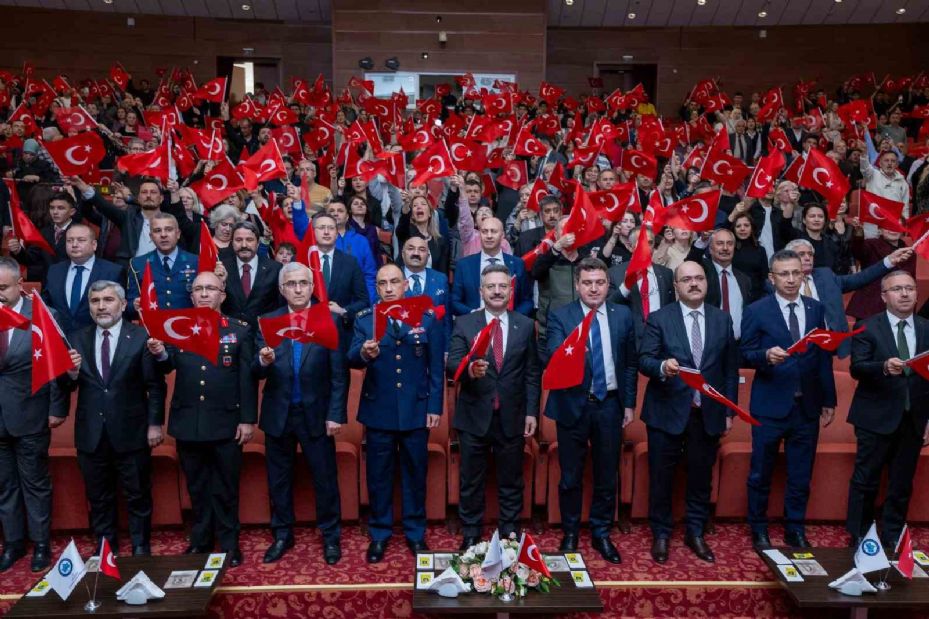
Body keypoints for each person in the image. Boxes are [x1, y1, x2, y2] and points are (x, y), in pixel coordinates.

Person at [150, 271, 256, 567]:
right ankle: (200, 540)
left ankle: (229, 543)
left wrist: (247, 419)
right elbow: (168, 364)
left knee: (225, 486)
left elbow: (246, 378)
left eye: (211, 288)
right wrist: (159, 353)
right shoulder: (178, 327)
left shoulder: (239, 330)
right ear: (192, 295)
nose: (205, 294)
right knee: (197, 486)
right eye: (199, 289)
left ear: (223, 294)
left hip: (226, 421)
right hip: (188, 421)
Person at [638, 261, 739, 564]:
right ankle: (661, 533)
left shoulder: (722, 319)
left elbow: (730, 370)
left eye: (698, 278)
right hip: (666, 411)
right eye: (687, 280)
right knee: (661, 478)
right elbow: (645, 359)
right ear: (677, 287)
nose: (694, 284)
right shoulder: (659, 318)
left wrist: (729, 409)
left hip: (706, 412)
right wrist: (662, 367)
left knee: (700, 477)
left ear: (706, 283)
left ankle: (695, 531)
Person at [740, 249, 836, 550]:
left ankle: (795, 528)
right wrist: (765, 357)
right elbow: (743, 353)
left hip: (806, 406)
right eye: (784, 274)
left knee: (800, 474)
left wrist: (828, 399)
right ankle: (758, 528)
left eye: (796, 273)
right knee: (761, 472)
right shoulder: (757, 310)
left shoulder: (815, 308)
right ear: (772, 278)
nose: (791, 279)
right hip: (770, 405)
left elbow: (822, 358)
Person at [348, 264, 444, 563]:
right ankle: (379, 534)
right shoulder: (366, 320)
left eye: (394, 282)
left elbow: (435, 368)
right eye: (382, 284)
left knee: (416, 474)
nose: (388, 288)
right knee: (379, 476)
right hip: (379, 409)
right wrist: (364, 353)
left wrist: (434, 406)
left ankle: (415, 533)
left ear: (405, 285)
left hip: (416, 409)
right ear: (376, 288)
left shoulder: (426, 318)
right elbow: (351, 358)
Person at [62, 281, 166, 557]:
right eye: (95, 301)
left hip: (131, 430)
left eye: (108, 300)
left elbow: (155, 386)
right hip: (91, 432)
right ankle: (105, 545)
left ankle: (140, 545)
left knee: (137, 494)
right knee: (98, 496)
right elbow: (67, 386)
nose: (101, 306)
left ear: (122, 304)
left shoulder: (141, 337)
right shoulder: (76, 339)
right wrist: (71, 374)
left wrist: (155, 424)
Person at [544, 257, 637, 564]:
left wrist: (628, 403)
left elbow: (630, 364)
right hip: (573, 404)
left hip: (610, 404)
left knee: (607, 474)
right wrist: (574, 350)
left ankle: (601, 533)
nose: (594, 288)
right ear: (577, 285)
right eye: (587, 283)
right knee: (570, 476)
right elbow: (553, 356)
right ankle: (570, 532)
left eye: (599, 282)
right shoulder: (561, 315)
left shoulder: (623, 315)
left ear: (607, 284)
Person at [254, 262, 346, 565]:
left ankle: (331, 536)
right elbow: (254, 371)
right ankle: (282, 534)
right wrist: (263, 361)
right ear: (282, 289)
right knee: (278, 480)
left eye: (303, 283)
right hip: (278, 412)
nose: (297, 289)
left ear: (312, 287)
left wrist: (335, 414)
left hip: (317, 413)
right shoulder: (266, 321)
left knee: (325, 478)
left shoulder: (327, 319)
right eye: (291, 284)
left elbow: (338, 374)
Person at [446, 264, 540, 550]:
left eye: (502, 286)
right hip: (474, 415)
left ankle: (510, 534)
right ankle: (471, 532)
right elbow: (452, 365)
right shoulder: (465, 323)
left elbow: (532, 373)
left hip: (512, 416)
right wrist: (469, 370)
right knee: (471, 481)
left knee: (511, 480)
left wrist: (531, 412)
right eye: (491, 287)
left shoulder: (524, 324)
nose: (497, 291)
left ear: (511, 291)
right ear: (481, 291)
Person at [846, 271, 929, 548]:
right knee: (865, 480)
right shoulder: (867, 327)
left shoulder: (926, 328)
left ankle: (893, 534)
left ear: (916, 294)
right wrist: (882, 367)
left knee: (901, 483)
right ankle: (859, 534)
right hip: (874, 417)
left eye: (909, 288)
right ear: (884, 297)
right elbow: (856, 368)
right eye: (897, 289)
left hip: (913, 418)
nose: (904, 294)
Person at [0, 257, 68, 573]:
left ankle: (41, 543)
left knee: (35, 483)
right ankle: (13, 543)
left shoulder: (43, 315)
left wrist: (56, 409)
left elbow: (56, 368)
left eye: (2, 287)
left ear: (20, 283)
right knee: (4, 485)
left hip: (29, 414)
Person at [784, 239, 911, 357]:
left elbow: (860, 278)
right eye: (801, 254)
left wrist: (889, 261)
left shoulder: (825, 275)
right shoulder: (779, 284)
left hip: (829, 345)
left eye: (810, 254)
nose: (807, 258)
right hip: (796, 346)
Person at [41, 223, 123, 335]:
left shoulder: (112, 271)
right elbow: (46, 303)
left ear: (94, 245)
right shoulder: (54, 271)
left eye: (81, 240)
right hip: (60, 338)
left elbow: (120, 309)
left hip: (96, 339)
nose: (74, 245)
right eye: (69, 240)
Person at [308, 212, 369, 352]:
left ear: (336, 233)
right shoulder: (302, 260)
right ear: (313, 231)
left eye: (331, 228)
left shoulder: (350, 262)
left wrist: (343, 311)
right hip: (307, 334)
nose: (326, 232)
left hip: (340, 333)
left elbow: (363, 300)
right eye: (322, 227)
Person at [451, 218, 532, 316]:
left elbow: (527, 301)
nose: (489, 236)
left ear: (502, 235)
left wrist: (512, 318)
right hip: (474, 326)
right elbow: (454, 301)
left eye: (493, 231)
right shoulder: (464, 265)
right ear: (479, 235)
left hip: (509, 326)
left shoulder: (517, 264)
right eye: (484, 232)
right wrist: (473, 314)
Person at [608, 227, 675, 346]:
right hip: (629, 342)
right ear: (629, 246)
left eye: (650, 243)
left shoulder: (666, 274)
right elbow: (609, 307)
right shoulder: (615, 273)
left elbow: (670, 309)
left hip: (661, 340)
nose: (646, 247)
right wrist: (626, 287)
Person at [126, 212, 198, 315]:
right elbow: (128, 304)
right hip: (152, 327)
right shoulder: (138, 264)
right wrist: (134, 305)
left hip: (187, 326)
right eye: (157, 231)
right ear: (151, 236)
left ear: (178, 234)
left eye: (169, 230)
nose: (163, 235)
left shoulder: (195, 261)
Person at [689, 228, 753, 337]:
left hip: (738, 344)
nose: (725, 248)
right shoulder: (703, 271)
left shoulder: (744, 279)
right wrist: (703, 240)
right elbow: (691, 263)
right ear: (710, 249)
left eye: (729, 244)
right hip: (709, 341)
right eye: (719, 243)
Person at [219, 222, 283, 328]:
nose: (244, 245)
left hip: (263, 334)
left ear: (258, 243)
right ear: (232, 243)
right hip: (231, 334)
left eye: (249, 240)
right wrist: (219, 282)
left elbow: (280, 306)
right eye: (238, 240)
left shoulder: (275, 269)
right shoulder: (221, 268)